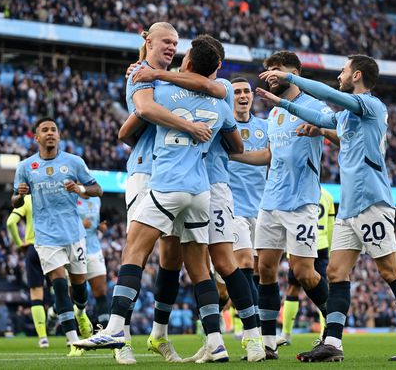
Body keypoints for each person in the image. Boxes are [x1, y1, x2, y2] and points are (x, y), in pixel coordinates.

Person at [75, 35, 241, 364]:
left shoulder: (157, 89)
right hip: (201, 191)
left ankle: (115, 328)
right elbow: (226, 114)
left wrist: (150, 72)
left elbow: (136, 118)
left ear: (189, 62)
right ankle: (215, 341)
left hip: (165, 183)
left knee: (134, 250)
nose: (176, 52)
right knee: (198, 268)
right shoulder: (221, 98)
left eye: (182, 49)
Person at [256, 54, 396, 361]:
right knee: (336, 273)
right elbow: (323, 120)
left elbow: (329, 96)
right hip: (349, 208)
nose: (339, 75)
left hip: (372, 202)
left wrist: (291, 80)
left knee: (391, 270)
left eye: (343, 70)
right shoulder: (347, 117)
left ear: (357, 75)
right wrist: (281, 103)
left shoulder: (371, 105)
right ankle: (333, 344)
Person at [129, 36, 264, 363]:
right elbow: (237, 147)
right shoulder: (203, 91)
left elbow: (132, 126)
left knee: (209, 262)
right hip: (203, 186)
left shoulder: (214, 90)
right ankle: (241, 339)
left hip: (205, 184)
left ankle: (231, 338)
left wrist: (153, 74)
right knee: (185, 262)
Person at [115, 22, 212, 365]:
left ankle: (159, 334)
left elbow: (205, 85)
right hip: (145, 173)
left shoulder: (170, 80)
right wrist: (187, 125)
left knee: (170, 259)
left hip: (174, 177)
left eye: (175, 43)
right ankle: (121, 339)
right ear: (148, 42)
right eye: (165, 42)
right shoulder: (140, 75)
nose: (172, 47)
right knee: (136, 251)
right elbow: (135, 121)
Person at [230, 51, 332, 358]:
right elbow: (269, 156)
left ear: (295, 72)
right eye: (268, 70)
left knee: (303, 272)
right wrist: (234, 155)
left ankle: (335, 325)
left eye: (278, 69)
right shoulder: (274, 113)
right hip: (269, 203)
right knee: (266, 270)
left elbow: (338, 130)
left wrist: (322, 129)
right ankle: (269, 343)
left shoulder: (314, 106)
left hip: (300, 203)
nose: (271, 74)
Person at [12, 117, 103, 357]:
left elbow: (97, 189)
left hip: (74, 234)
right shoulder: (25, 167)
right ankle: (74, 342)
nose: (50, 133)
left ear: (59, 136)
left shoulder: (74, 162)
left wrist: (80, 189)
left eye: (53, 129)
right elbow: (14, 201)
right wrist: (19, 195)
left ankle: (81, 313)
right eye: (45, 130)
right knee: (60, 287)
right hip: (45, 237)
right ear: (36, 137)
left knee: (80, 291)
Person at [227, 77, 268, 328]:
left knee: (260, 271)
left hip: (261, 208)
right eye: (237, 92)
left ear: (252, 96)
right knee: (244, 262)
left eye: (246, 91)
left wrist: (236, 155)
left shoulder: (264, 127)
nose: (243, 95)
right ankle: (254, 329)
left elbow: (269, 157)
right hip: (233, 207)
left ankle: (258, 326)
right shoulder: (224, 126)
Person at [278, 186, 335, 346]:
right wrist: (330, 251)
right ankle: (324, 333)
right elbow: (331, 225)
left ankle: (286, 333)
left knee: (293, 288)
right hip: (321, 245)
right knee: (322, 289)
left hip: (300, 246)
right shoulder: (328, 196)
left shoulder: (296, 191)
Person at [6, 194, 49, 348]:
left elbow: (11, 222)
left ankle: (43, 337)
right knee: (61, 290)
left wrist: (19, 243)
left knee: (36, 296)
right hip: (53, 247)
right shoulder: (53, 194)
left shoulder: (27, 199)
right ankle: (70, 336)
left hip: (33, 248)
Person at [76, 194, 109, 327]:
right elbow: (62, 223)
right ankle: (55, 313)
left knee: (101, 290)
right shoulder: (70, 197)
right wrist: (80, 225)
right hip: (75, 249)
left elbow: (95, 223)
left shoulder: (96, 199)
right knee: (75, 294)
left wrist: (100, 227)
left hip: (94, 249)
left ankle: (105, 328)